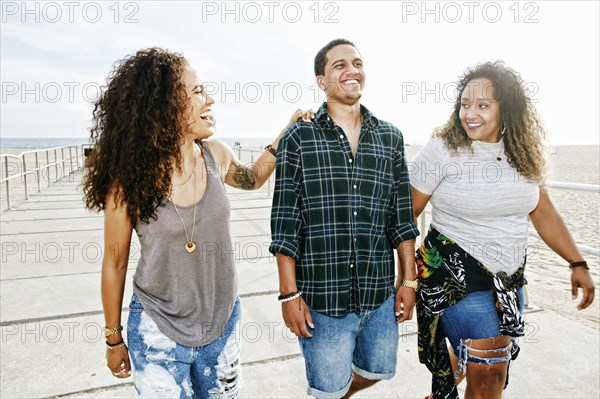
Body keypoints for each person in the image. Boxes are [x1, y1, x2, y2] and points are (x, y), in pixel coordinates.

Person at [83, 47, 313, 398]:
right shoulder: (126, 179)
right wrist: (113, 337)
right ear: (164, 107)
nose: (211, 100)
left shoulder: (215, 154)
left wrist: (287, 131)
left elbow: (252, 178)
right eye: (197, 92)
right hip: (156, 329)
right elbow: (114, 262)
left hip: (222, 324)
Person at [409, 60, 596, 399]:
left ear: (506, 108)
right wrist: (405, 280)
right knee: (490, 378)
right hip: (455, 280)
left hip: (509, 284)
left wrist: (577, 262)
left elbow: (542, 211)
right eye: (465, 104)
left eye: (483, 105)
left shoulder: (522, 153)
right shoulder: (441, 151)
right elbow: (405, 215)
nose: (470, 113)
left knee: (485, 367)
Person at [269, 38, 419, 399]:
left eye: (357, 63)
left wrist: (409, 282)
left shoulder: (390, 138)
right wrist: (289, 295)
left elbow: (400, 218)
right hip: (323, 299)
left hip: (379, 294)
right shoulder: (299, 137)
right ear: (321, 79)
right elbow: (286, 222)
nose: (352, 71)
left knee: (378, 370)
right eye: (340, 65)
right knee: (327, 389)